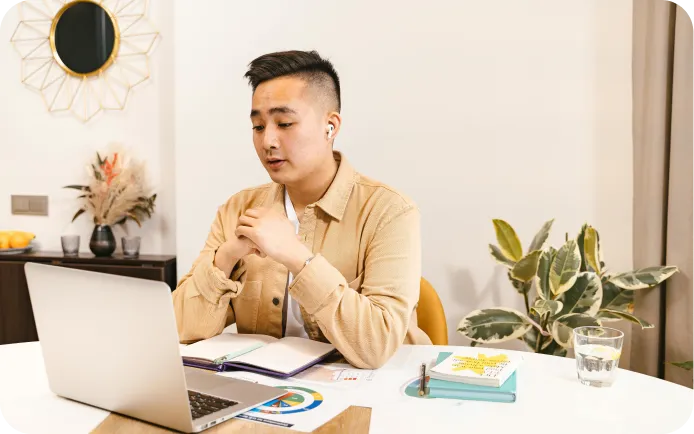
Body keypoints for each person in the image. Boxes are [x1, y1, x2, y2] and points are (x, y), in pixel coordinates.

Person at [172, 50, 432, 369]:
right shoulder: (237, 209)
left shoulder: (389, 211)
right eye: (257, 126)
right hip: (268, 399)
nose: (268, 140)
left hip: (375, 398)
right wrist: (224, 258)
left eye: (284, 123)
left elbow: (376, 347)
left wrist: (296, 256)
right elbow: (179, 329)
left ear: (330, 126)